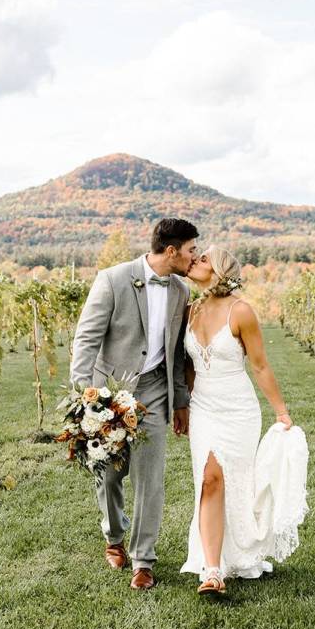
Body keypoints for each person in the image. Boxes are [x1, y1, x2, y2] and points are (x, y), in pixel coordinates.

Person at [70, 218, 198, 590]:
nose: (195, 256)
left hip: (156, 391)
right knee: (110, 473)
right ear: (171, 251)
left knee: (151, 477)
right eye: (191, 250)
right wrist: (86, 398)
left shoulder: (181, 291)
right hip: (112, 389)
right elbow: (87, 339)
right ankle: (114, 536)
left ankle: (144, 559)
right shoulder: (113, 279)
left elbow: (176, 352)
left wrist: (180, 400)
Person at [180, 245, 308, 594]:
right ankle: (212, 570)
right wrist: (185, 407)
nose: (195, 261)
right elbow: (189, 367)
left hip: (238, 409)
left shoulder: (241, 312)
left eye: (203, 258)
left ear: (219, 270)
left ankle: (238, 553)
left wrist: (281, 411)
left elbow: (260, 365)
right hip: (203, 407)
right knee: (208, 479)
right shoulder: (190, 311)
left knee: (232, 481)